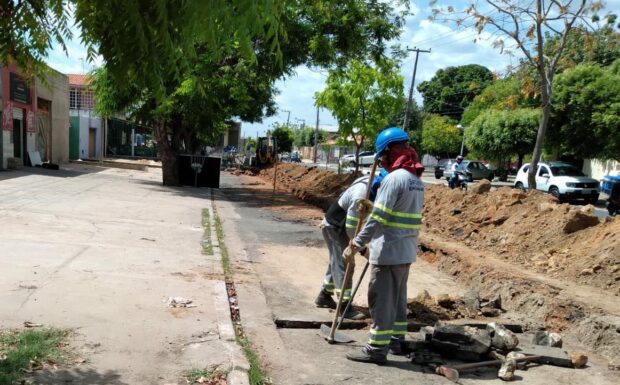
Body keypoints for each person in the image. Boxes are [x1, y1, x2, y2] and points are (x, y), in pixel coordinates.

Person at [344, 127, 424, 364]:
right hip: (405, 250)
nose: (381, 162)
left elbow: (378, 218)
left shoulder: (393, 179)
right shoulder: (416, 181)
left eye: (382, 156)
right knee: (397, 299)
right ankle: (396, 341)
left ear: (389, 152)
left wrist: (357, 243)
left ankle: (376, 349)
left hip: (388, 251)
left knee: (380, 301)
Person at [314, 169, 387, 320]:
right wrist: (362, 249)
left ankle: (324, 295)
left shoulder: (376, 187)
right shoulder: (361, 194)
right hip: (334, 226)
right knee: (345, 263)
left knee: (336, 261)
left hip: (343, 226)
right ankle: (344, 306)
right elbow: (351, 228)